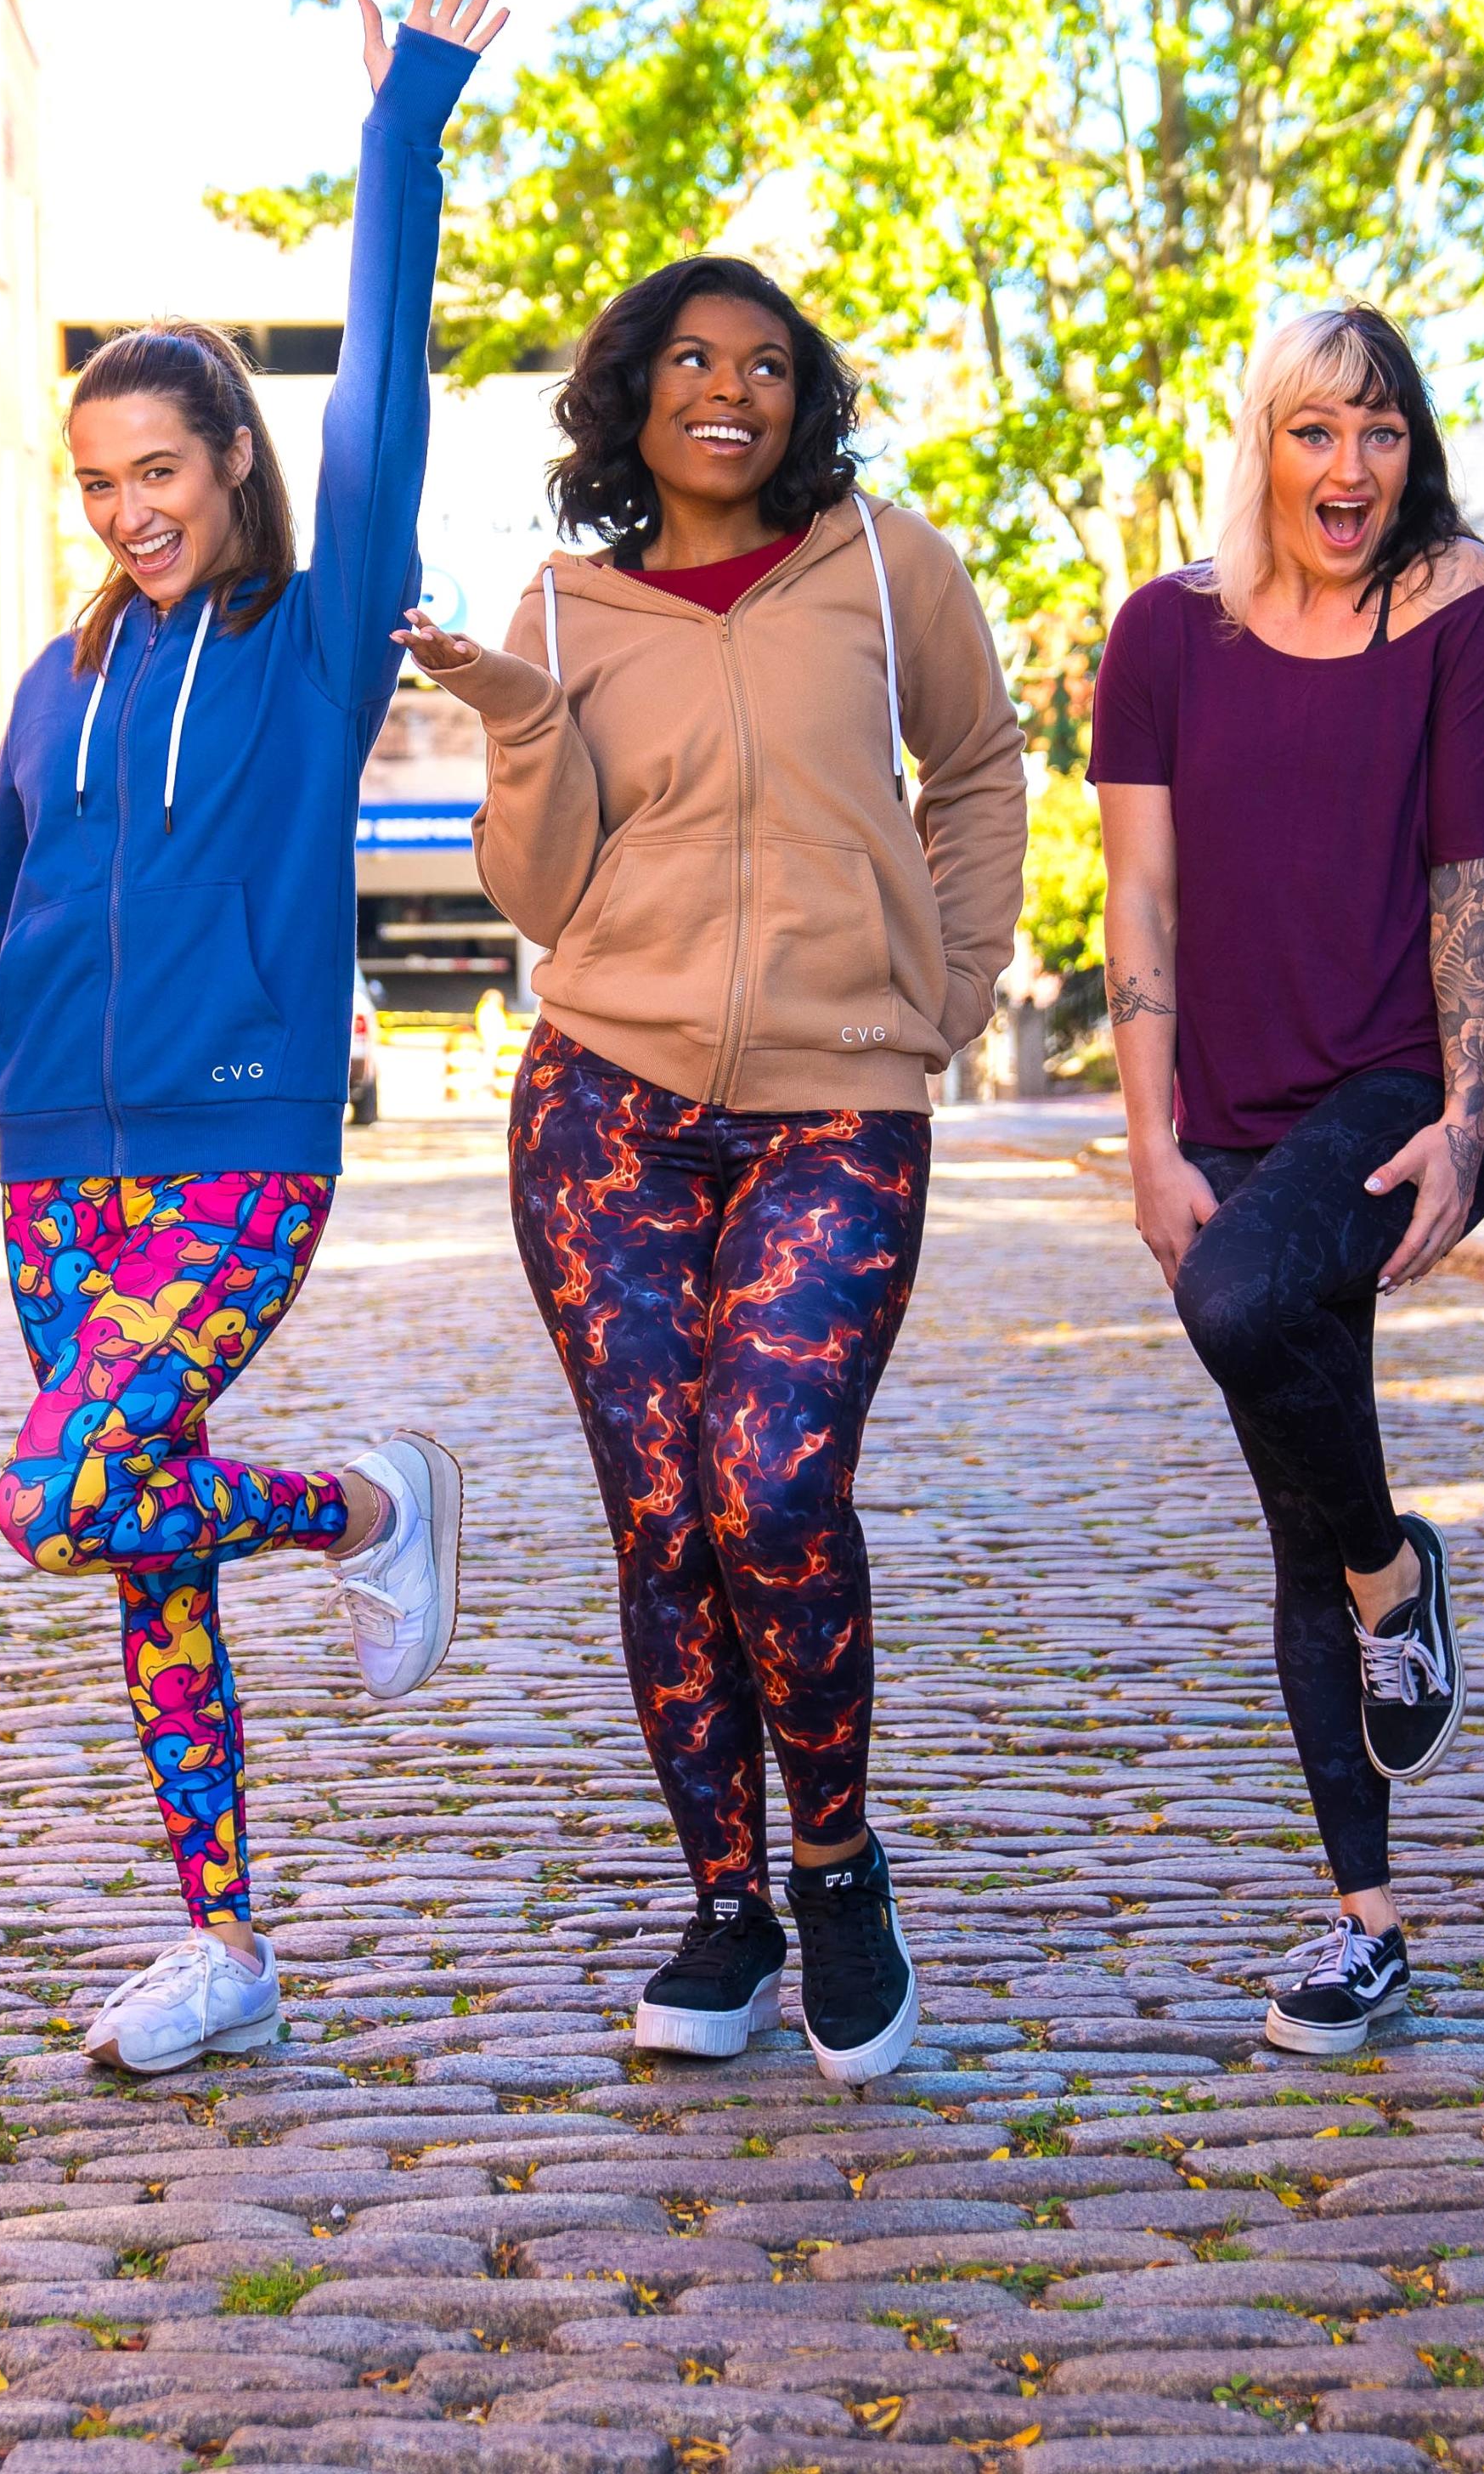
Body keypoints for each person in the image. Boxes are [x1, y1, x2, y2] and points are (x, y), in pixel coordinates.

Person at [0, 0, 505, 2077]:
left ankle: (362, 1504)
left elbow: (388, 400)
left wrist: (400, 127)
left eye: (161, 465)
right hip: (60, 1168)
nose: (131, 506)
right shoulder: (62, 679)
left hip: (241, 1151)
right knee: (148, 1562)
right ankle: (224, 1940)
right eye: (98, 479)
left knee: (58, 1491)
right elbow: (8, 890)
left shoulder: (314, 637)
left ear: (232, 459)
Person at [397, 254, 1025, 2083]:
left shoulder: (889, 571)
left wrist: (949, 987)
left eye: (763, 363)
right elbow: (535, 889)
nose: (725, 389)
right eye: (688, 359)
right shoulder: (569, 607)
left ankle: (836, 1864)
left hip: (841, 1105)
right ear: (633, 399)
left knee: (770, 1483)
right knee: (661, 1514)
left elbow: (977, 769)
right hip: (606, 1100)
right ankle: (726, 1896)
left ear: (800, 399)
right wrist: (521, 718)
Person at [1092, 306, 1484, 2057]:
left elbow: (1471, 887)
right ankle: (1365, 1922)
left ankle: (1389, 1572)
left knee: (1236, 1301)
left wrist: (1466, 1100)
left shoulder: (1462, 611)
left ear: (1410, 446)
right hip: (1228, 1101)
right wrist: (1147, 1136)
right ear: (1258, 443)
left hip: (1402, 1082)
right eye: (1311, 431)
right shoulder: (1163, 632)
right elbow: (1139, 900)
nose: (1347, 467)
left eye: (1378, 431)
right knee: (1287, 1483)